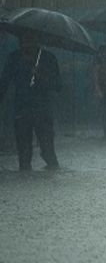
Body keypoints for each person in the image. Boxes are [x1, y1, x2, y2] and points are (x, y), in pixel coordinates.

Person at [0, 33, 62, 170]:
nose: (27, 44)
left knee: (48, 151)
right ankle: (26, 178)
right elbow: (4, 83)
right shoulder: (14, 58)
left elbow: (58, 85)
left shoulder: (48, 58)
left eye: (30, 39)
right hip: (21, 109)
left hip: (43, 109)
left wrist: (40, 75)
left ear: (37, 41)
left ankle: (51, 178)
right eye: (24, 40)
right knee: (24, 153)